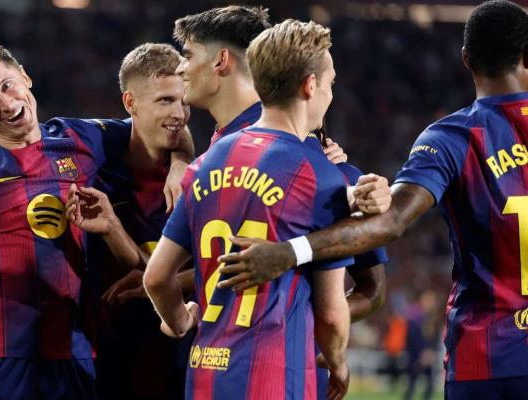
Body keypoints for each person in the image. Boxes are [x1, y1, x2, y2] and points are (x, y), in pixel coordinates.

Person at [217, 1, 528, 398]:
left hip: (488, 359)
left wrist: (288, 252)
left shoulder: (453, 137)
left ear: (466, 59)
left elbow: (390, 222)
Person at [0, 43, 192, 399]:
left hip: (75, 355)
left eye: (7, 85)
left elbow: (166, 122)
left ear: (25, 77)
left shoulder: (80, 137)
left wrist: (180, 163)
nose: (5, 103)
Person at [144, 19, 355, 400]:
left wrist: (180, 320)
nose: (330, 93)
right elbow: (330, 312)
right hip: (275, 378)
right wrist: (338, 363)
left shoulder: (206, 163)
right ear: (310, 85)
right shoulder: (320, 173)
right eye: (331, 83)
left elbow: (157, 277)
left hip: (204, 377)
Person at [65, 42, 192, 399]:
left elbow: (212, 275)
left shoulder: (202, 177)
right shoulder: (93, 172)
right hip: (106, 366)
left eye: (183, 101)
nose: (179, 113)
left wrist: (182, 159)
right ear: (130, 103)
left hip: (180, 365)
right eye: (165, 101)